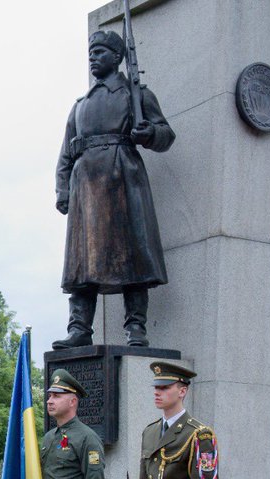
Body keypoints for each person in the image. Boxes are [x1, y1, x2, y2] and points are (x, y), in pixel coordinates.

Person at [52, 29, 175, 349]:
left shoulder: (136, 95)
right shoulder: (80, 106)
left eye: (100, 53)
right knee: (82, 262)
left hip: (123, 180)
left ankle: (136, 327)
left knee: (133, 256)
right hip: (86, 188)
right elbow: (66, 153)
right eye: (91, 53)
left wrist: (148, 133)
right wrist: (62, 189)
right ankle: (79, 328)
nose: (93, 59)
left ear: (117, 57)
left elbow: (165, 134)